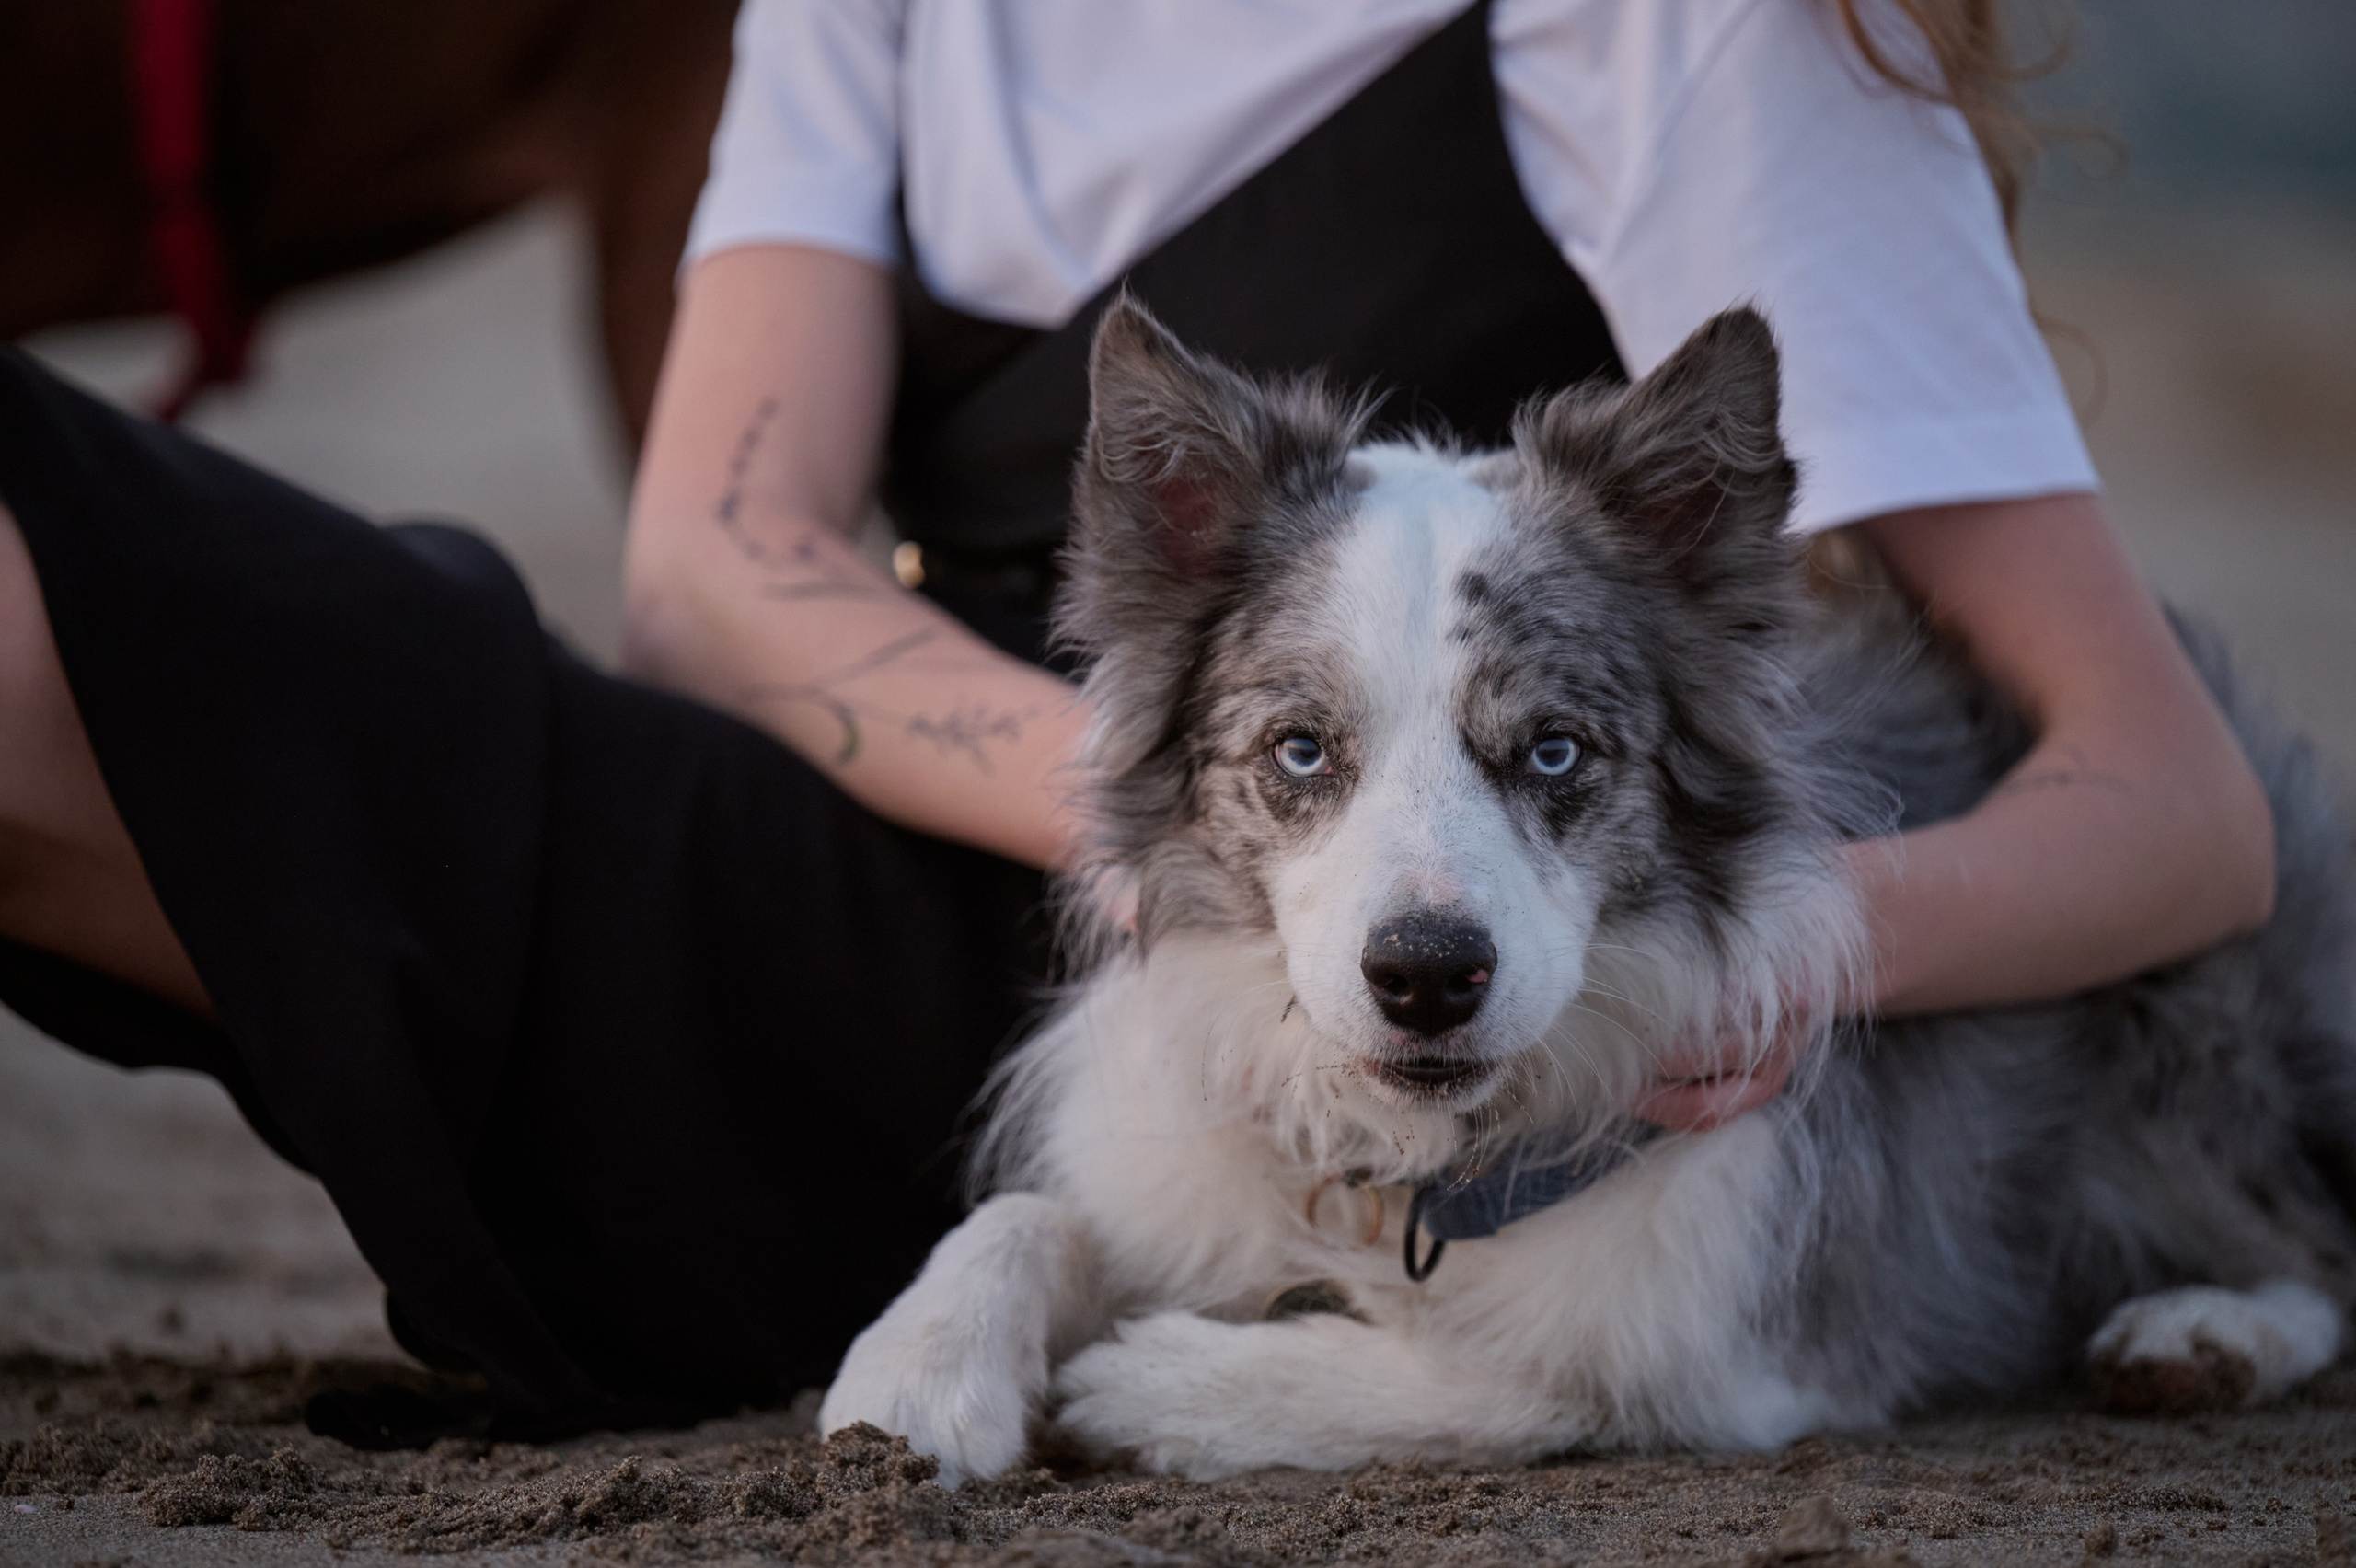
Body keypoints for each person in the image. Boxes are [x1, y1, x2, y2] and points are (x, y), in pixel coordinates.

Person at [0, 0, 2274, 1438]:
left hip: (1481, 1057)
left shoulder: (1687, 28)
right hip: (1050, 898)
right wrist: (1159, 822)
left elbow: (2173, 804)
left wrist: (1767, 973)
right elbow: (708, 567)